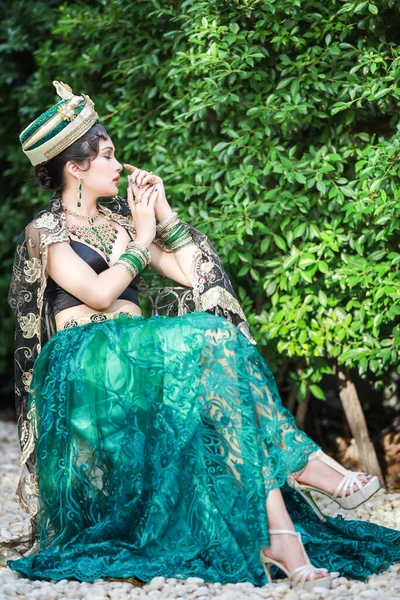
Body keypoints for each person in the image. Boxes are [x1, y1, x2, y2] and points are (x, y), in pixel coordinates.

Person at [2, 80, 400, 590]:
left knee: (218, 362)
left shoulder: (123, 222)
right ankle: (303, 464)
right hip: (87, 363)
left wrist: (162, 213)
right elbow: (98, 293)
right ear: (75, 168)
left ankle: (281, 538)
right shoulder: (47, 231)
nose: (119, 164)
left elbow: (195, 272)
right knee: (208, 339)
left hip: (137, 355)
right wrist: (143, 238)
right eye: (107, 155)